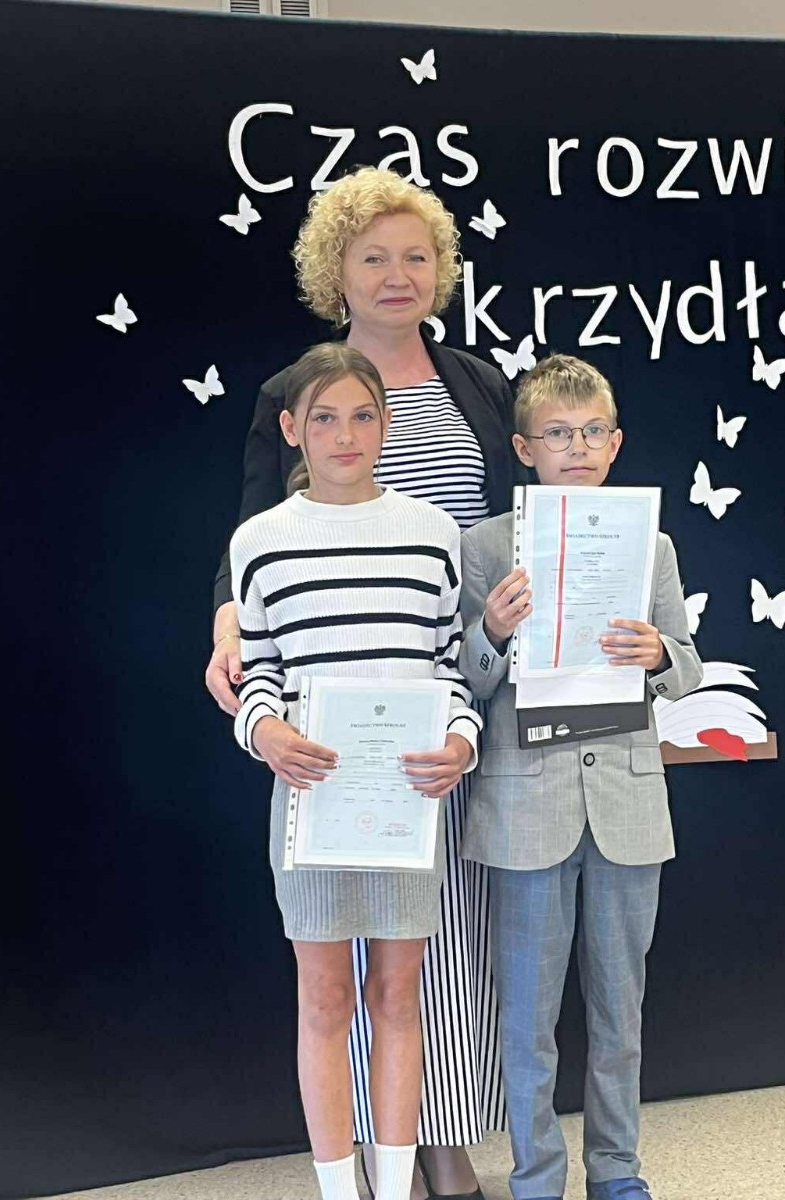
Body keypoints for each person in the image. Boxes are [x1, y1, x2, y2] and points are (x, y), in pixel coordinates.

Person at [208, 166, 514, 1199]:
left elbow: (505, 527)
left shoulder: (477, 383)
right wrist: (230, 632)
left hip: (454, 676)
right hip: (333, 695)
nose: (396, 275)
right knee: (349, 963)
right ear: (332, 271)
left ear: (442, 270)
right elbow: (251, 541)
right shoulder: (289, 393)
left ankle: (443, 1135)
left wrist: (478, 679)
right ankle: (376, 1164)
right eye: (372, 256)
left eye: (415, 256)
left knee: (445, 932)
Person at [228, 342, 480, 1200]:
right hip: (311, 801)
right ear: (291, 429)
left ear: (386, 423)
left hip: (406, 803)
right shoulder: (261, 540)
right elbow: (260, 668)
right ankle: (341, 1189)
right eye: (325, 418)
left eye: (363, 416)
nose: (346, 435)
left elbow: (448, 666)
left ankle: (397, 1180)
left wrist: (461, 740)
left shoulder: (431, 534)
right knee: (325, 997)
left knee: (399, 994)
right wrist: (264, 730)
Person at [459, 355, 703, 1200]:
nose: (578, 447)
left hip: (627, 801)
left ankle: (618, 1172)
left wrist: (660, 653)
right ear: (525, 448)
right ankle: (536, 1177)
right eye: (559, 433)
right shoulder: (485, 546)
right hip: (527, 806)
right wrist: (491, 632)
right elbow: (465, 682)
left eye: (594, 431)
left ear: (616, 443)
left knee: (618, 1010)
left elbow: (687, 669)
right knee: (527, 1017)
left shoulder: (651, 544)